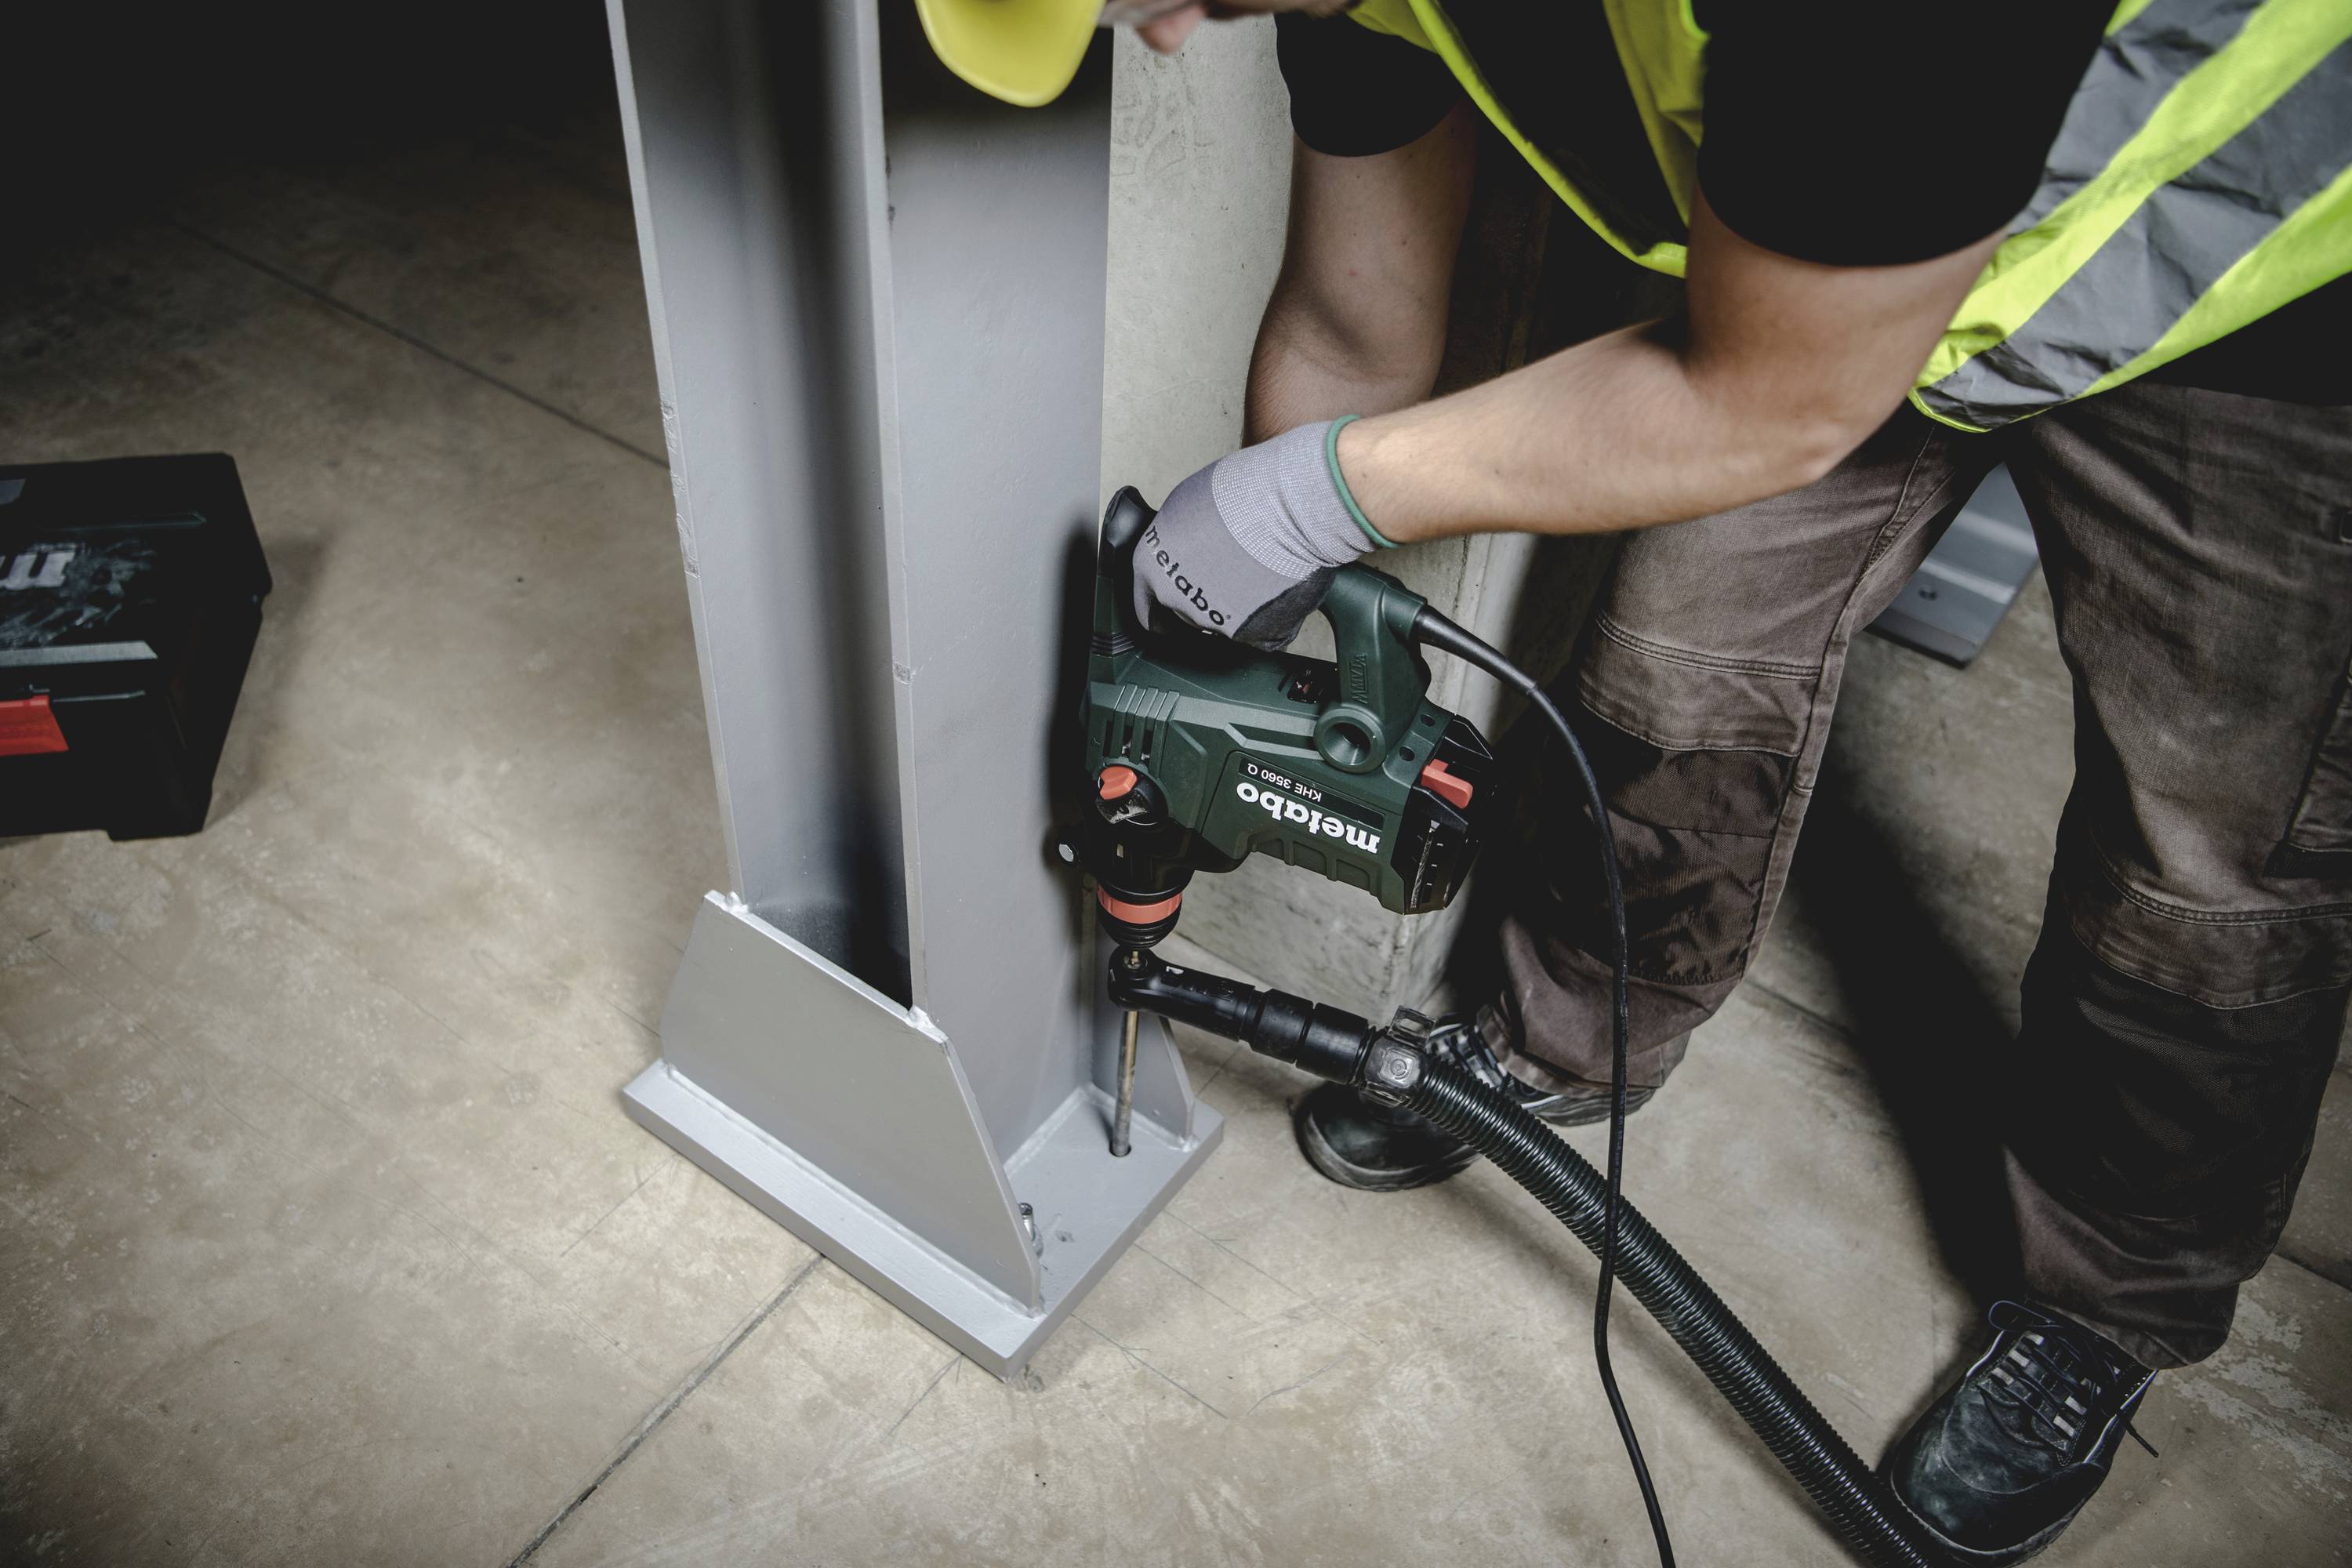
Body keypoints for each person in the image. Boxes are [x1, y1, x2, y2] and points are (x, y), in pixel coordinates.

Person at [917, 2, 2352, 1560]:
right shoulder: (1344, 1)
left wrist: (1295, 506)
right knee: (1676, 671)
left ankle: (2110, 1298)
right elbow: (1353, 324)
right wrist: (1252, 623)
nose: (1164, 29)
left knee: (2210, 852)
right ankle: (1561, 1041)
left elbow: (1772, 398)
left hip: (2231, 293)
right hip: (1835, 254)